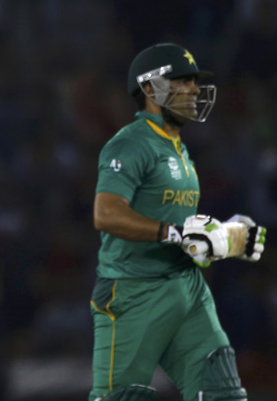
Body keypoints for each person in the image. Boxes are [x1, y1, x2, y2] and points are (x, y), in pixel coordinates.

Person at [89, 43, 267, 401]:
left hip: (187, 287)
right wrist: (175, 233)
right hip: (134, 289)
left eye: (194, 82)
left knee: (223, 393)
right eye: (183, 81)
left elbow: (188, 235)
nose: (195, 90)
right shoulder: (131, 143)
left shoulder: (180, 150)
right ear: (151, 89)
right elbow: (105, 214)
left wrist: (225, 240)